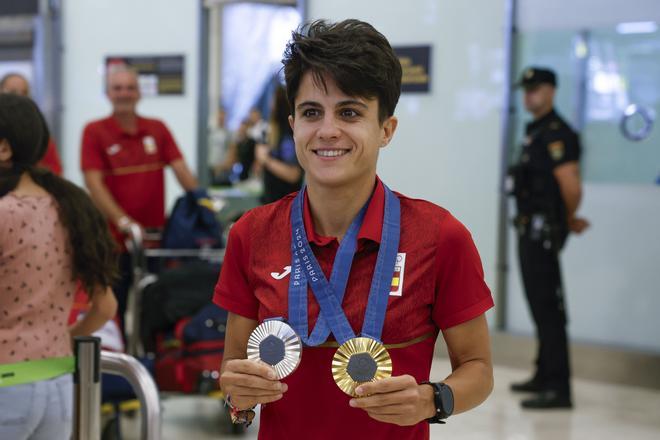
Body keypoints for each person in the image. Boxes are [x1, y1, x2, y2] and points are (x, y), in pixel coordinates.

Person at [216, 19, 494, 439]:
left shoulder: (439, 237)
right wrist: (237, 398)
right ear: (292, 124)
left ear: (386, 129)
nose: (328, 130)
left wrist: (430, 399)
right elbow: (234, 377)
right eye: (312, 112)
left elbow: (479, 370)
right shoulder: (252, 234)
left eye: (349, 112)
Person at [0, 94, 118, 439]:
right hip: (59, 385)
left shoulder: (5, 213)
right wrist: (58, 339)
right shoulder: (70, 208)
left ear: (4, 148)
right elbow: (106, 306)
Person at [80, 64, 198, 330]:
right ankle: (119, 361)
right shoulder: (94, 131)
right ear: (108, 94)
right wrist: (123, 221)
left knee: (155, 305)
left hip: (155, 240)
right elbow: (93, 182)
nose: (124, 93)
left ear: (139, 93)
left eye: (130, 88)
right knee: (115, 307)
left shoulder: (157, 128)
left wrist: (203, 205)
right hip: (114, 241)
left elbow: (181, 169)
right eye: (117, 88)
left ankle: (151, 363)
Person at [508, 67, 589, 409]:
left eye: (535, 89)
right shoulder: (536, 130)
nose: (529, 96)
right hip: (529, 228)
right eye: (526, 90)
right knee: (539, 306)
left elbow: (571, 185)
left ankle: (559, 387)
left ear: (551, 91)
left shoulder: (558, 134)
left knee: (550, 309)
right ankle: (544, 373)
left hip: (543, 231)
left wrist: (568, 218)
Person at [0, 72, 63, 175]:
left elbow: (55, 173)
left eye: (24, 92)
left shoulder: (39, 137)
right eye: (13, 92)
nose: (19, 97)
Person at [255, 85, 303, 204]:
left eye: (273, 100)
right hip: (273, 202)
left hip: (286, 205)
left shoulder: (288, 136)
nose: (270, 105)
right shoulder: (275, 133)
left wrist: (266, 160)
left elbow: (293, 174)